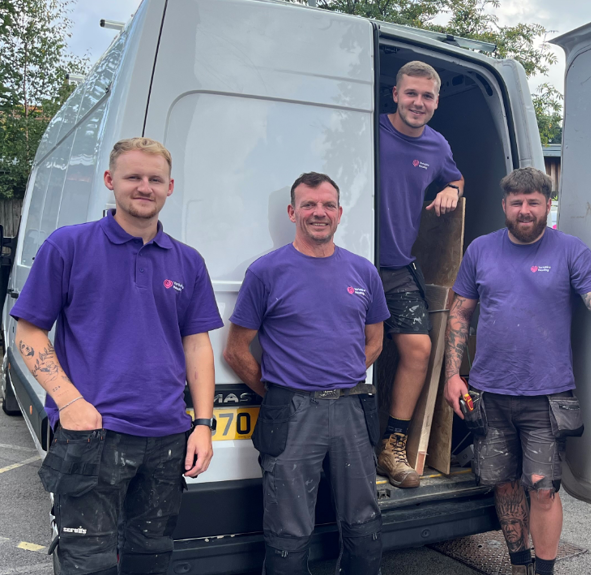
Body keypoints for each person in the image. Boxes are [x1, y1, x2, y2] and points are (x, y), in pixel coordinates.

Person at [12, 137, 221, 575]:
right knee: (88, 563)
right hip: (92, 434)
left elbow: (196, 344)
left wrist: (202, 423)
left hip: (167, 438)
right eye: (133, 177)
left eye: (155, 179)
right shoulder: (68, 246)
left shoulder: (188, 261)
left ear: (169, 187)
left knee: (151, 557)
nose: (144, 186)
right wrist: (69, 402)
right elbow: (28, 332)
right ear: (110, 181)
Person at [443, 167, 591, 575]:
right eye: (516, 203)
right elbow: (460, 313)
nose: (524, 210)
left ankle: (544, 571)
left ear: (548, 204)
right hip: (490, 393)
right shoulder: (480, 250)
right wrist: (453, 375)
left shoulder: (570, 251)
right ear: (504, 206)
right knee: (505, 486)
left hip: (548, 396)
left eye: (533, 202)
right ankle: (518, 566)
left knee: (543, 490)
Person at [223, 172, 389, 575]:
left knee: (363, 519)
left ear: (339, 212)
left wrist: (341, 373)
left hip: (351, 408)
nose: (319, 213)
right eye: (309, 205)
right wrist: (282, 389)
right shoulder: (267, 272)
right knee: (288, 527)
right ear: (292, 211)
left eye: (328, 204)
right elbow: (235, 351)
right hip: (292, 411)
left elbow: (375, 342)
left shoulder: (363, 272)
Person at [377, 60, 465, 488]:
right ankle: (342, 441)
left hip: (394, 265)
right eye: (411, 93)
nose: (418, 102)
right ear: (395, 94)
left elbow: (458, 177)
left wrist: (451, 188)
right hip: (348, 262)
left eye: (427, 96)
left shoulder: (436, 145)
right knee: (354, 350)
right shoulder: (369, 131)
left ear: (435, 102)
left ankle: (392, 447)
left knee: (417, 350)